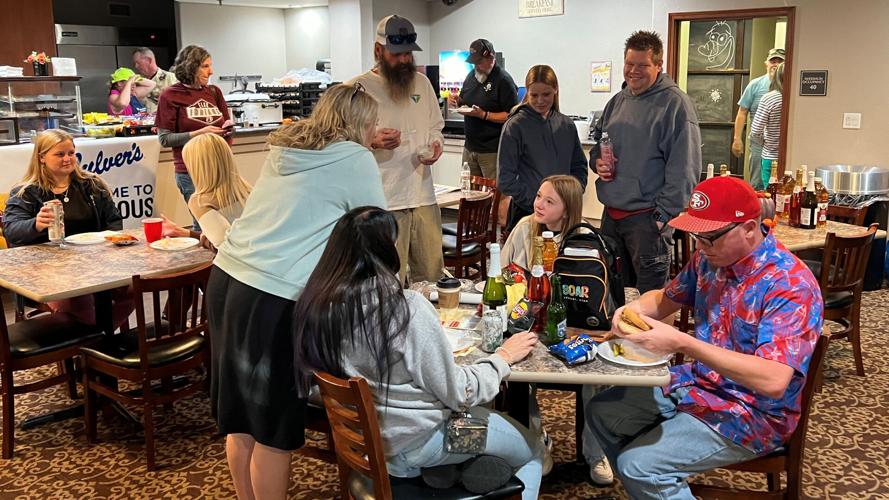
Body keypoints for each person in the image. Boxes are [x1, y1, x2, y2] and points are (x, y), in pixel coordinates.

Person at [586, 176, 823, 499]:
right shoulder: (709, 260)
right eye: (697, 237)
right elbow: (665, 298)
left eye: (710, 238)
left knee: (639, 465)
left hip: (755, 412)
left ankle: (654, 480)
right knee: (602, 412)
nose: (700, 247)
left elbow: (773, 380)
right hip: (698, 385)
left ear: (750, 229)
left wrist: (684, 343)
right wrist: (632, 309)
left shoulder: (789, 284)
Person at [205, 84, 387, 500]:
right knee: (274, 427)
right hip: (273, 294)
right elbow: (376, 229)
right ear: (361, 123)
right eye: (373, 123)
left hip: (226, 278)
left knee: (241, 418)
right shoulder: (355, 157)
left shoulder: (284, 151)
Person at [293, 206, 543, 499]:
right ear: (388, 248)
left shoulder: (319, 306)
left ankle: (447, 471)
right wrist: (502, 358)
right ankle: (446, 463)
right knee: (534, 451)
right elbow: (459, 392)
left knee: (484, 434)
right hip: (423, 441)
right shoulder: (403, 308)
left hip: (370, 443)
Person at [591, 30, 701, 298]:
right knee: (614, 295)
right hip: (611, 216)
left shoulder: (675, 105)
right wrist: (597, 162)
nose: (633, 71)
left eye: (643, 65)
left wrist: (663, 218)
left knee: (649, 303)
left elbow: (685, 168)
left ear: (659, 66)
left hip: (647, 221)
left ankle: (651, 342)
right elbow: (599, 145)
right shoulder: (616, 102)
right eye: (630, 64)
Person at [346, 14, 445, 284]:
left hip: (423, 196)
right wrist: (371, 141)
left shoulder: (422, 84)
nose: (404, 60)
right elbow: (341, 141)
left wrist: (437, 145)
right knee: (388, 280)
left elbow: (437, 126)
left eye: (408, 54)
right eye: (397, 54)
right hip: (383, 201)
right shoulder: (358, 88)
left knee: (432, 277)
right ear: (378, 50)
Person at [3, 129, 130, 326]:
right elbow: (11, 230)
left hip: (95, 263)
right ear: (42, 157)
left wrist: (110, 243)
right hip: (48, 270)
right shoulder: (26, 192)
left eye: (71, 153)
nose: (67, 159)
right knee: (79, 300)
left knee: (131, 289)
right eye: (60, 154)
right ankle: (96, 344)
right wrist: (35, 224)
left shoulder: (92, 185)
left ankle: (97, 340)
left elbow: (113, 220)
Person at [498, 65, 588, 232]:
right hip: (528, 215)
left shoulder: (566, 125)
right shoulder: (515, 126)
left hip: (563, 217)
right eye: (534, 95)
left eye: (546, 94)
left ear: (555, 90)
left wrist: (570, 198)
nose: (540, 101)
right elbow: (505, 179)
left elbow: (579, 167)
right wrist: (538, 202)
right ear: (527, 94)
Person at [155, 45, 233, 232]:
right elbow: (165, 139)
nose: (211, 71)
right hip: (190, 171)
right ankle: (205, 261)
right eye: (205, 66)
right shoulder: (170, 95)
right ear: (191, 67)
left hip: (219, 168)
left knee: (224, 222)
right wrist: (199, 134)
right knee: (204, 224)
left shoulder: (214, 92)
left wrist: (228, 131)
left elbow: (224, 124)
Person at [160, 133, 252, 247]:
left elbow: (227, 249)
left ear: (196, 167)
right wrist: (184, 232)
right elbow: (235, 238)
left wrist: (206, 240)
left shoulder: (200, 202)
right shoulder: (247, 190)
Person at [447, 39, 518, 180]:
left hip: (491, 151)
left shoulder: (503, 80)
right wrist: (456, 100)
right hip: (470, 148)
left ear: (491, 57)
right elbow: (464, 100)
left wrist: (484, 115)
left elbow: (511, 116)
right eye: (474, 63)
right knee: (469, 193)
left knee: (492, 196)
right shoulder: (471, 77)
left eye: (479, 62)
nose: (476, 66)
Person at [501, 174, 583, 268]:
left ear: (567, 211)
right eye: (538, 196)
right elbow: (502, 267)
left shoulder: (584, 236)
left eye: (549, 201)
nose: (538, 205)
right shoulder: (525, 226)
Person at [732, 48, 785, 190]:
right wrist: (737, 139)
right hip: (758, 143)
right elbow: (742, 112)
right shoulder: (755, 85)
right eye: (772, 61)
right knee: (757, 183)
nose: (775, 64)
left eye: (779, 62)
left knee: (778, 184)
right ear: (766, 63)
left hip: (780, 146)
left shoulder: (789, 89)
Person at [750, 61, 785, 188]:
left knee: (772, 195)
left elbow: (755, 130)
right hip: (792, 156)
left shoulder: (770, 98)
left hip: (770, 157)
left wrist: (765, 143)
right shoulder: (797, 99)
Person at [132, 47, 178, 113]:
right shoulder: (136, 81)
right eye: (134, 64)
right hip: (140, 121)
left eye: (138, 63)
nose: (136, 66)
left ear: (149, 60)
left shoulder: (170, 78)